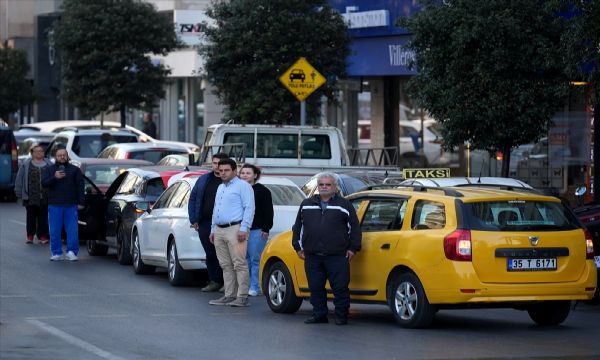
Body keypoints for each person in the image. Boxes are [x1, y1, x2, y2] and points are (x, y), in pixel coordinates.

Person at [292, 172, 361, 325]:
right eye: (321, 184)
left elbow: (355, 229)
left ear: (335, 187)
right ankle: (319, 315)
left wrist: (353, 249)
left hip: (337, 256)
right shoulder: (306, 204)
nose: (324, 187)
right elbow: (298, 227)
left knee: (340, 288)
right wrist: (297, 247)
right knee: (315, 288)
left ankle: (341, 316)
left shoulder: (345, 205)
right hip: (312, 255)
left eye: (327, 184)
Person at [208, 158, 255, 307]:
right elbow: (216, 209)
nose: (223, 173)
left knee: (239, 263)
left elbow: (249, 208)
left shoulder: (243, 186)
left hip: (236, 228)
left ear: (234, 171)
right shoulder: (221, 187)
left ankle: (242, 296)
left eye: (226, 170)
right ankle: (229, 295)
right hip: (220, 229)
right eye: (220, 170)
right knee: (225, 264)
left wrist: (244, 228)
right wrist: (213, 229)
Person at [188, 153, 229, 292]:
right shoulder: (204, 179)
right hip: (205, 223)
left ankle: (227, 282)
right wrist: (193, 219)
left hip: (224, 223)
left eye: (220, 163)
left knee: (225, 254)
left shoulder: (230, 181)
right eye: (214, 163)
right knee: (210, 253)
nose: (217, 166)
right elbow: (193, 198)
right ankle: (214, 280)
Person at [42, 147, 85, 261]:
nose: (62, 157)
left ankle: (72, 252)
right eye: (59, 155)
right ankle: (56, 252)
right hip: (54, 204)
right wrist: (55, 178)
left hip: (71, 205)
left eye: (64, 155)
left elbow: (80, 187)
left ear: (67, 157)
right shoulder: (50, 170)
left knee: (72, 231)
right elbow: (44, 183)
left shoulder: (75, 170)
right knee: (54, 231)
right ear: (55, 157)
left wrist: (81, 202)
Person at [239, 164, 273, 296]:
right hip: (240, 230)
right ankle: (244, 286)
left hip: (257, 230)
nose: (245, 175)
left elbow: (268, 211)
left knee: (255, 259)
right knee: (243, 260)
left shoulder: (263, 191)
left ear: (255, 175)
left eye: (248, 173)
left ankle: (255, 287)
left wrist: (266, 228)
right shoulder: (238, 190)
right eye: (242, 173)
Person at [14, 144, 52, 244]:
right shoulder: (26, 164)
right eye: (36, 151)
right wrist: (18, 192)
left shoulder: (49, 164)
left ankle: (42, 236)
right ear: (32, 153)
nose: (39, 153)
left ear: (44, 153)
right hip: (30, 196)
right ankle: (30, 236)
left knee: (43, 217)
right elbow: (19, 179)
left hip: (45, 196)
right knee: (31, 217)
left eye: (41, 151)